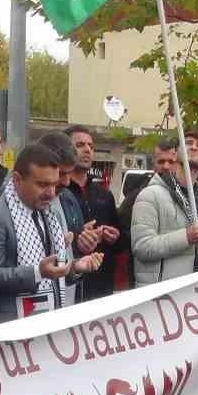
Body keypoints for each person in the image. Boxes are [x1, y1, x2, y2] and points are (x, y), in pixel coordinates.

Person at [0, 143, 105, 324]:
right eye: (43, 185)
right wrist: (37, 273)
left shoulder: (50, 214)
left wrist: (75, 267)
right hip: (11, 329)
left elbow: (55, 271)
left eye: (54, 184)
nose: (51, 193)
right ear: (17, 180)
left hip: (48, 326)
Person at [129, 137, 198, 287]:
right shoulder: (150, 195)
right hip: (160, 296)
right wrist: (186, 236)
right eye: (188, 143)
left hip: (195, 295)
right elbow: (141, 246)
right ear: (175, 155)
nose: (193, 147)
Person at [65, 124, 122, 298]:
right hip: (70, 286)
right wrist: (79, 238)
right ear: (66, 150)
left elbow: (121, 241)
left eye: (90, 145)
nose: (87, 150)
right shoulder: (57, 192)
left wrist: (115, 236)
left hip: (102, 285)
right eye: (80, 145)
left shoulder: (104, 193)